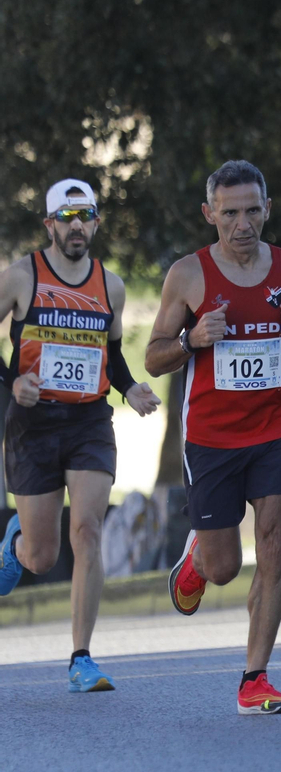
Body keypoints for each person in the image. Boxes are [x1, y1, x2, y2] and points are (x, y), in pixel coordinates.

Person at [145, 160, 281, 715]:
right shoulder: (189, 275)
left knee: (275, 541)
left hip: (277, 429)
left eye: (253, 210)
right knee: (224, 567)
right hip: (210, 437)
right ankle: (196, 559)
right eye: (230, 213)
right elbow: (154, 358)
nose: (243, 223)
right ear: (210, 215)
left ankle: (255, 679)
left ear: (267, 209)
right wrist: (191, 338)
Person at [0, 179, 162, 692]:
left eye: (85, 215)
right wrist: (14, 383)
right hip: (33, 425)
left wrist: (131, 387)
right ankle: (16, 544)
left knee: (87, 530)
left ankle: (81, 658)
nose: (76, 225)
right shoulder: (21, 277)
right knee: (43, 556)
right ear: (49, 224)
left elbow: (110, 357)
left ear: (95, 221)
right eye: (66, 217)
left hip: (90, 422)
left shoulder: (110, 286)